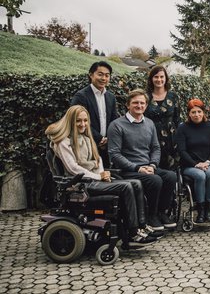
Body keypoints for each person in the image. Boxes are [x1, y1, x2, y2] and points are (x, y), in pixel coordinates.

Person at [46, 105, 157, 247]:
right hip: (80, 184)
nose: (83, 124)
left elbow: (97, 160)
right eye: (78, 121)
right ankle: (133, 233)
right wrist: (98, 177)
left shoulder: (86, 137)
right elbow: (73, 168)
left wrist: (103, 173)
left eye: (85, 121)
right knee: (126, 186)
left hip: (93, 179)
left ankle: (142, 225)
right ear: (70, 121)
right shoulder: (63, 142)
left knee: (136, 183)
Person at [108, 89, 178, 231]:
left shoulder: (149, 124)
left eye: (142, 103)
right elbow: (114, 154)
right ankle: (150, 216)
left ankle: (161, 212)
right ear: (128, 105)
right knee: (155, 180)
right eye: (135, 103)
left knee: (171, 176)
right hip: (127, 170)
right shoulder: (116, 125)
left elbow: (155, 148)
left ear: (146, 105)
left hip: (147, 166)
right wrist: (137, 168)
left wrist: (152, 165)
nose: (139, 106)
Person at [175, 99, 210, 224]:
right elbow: (182, 151)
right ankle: (200, 211)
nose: (196, 115)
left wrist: (207, 162)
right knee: (200, 175)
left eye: (199, 112)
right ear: (189, 113)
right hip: (190, 164)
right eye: (193, 112)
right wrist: (195, 164)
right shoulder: (183, 128)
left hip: (208, 163)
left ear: (203, 112)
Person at [70, 61, 120, 167]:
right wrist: (99, 139)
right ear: (91, 75)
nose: (103, 78)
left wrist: (108, 139)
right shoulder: (81, 96)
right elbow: (77, 121)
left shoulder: (110, 97)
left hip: (106, 147)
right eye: (100, 74)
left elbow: (114, 121)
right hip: (86, 144)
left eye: (107, 75)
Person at [145, 65, 180, 171]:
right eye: (156, 77)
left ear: (166, 78)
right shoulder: (146, 96)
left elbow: (177, 119)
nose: (159, 79)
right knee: (153, 168)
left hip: (171, 139)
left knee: (171, 170)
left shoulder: (173, 96)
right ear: (151, 79)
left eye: (161, 77)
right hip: (151, 137)